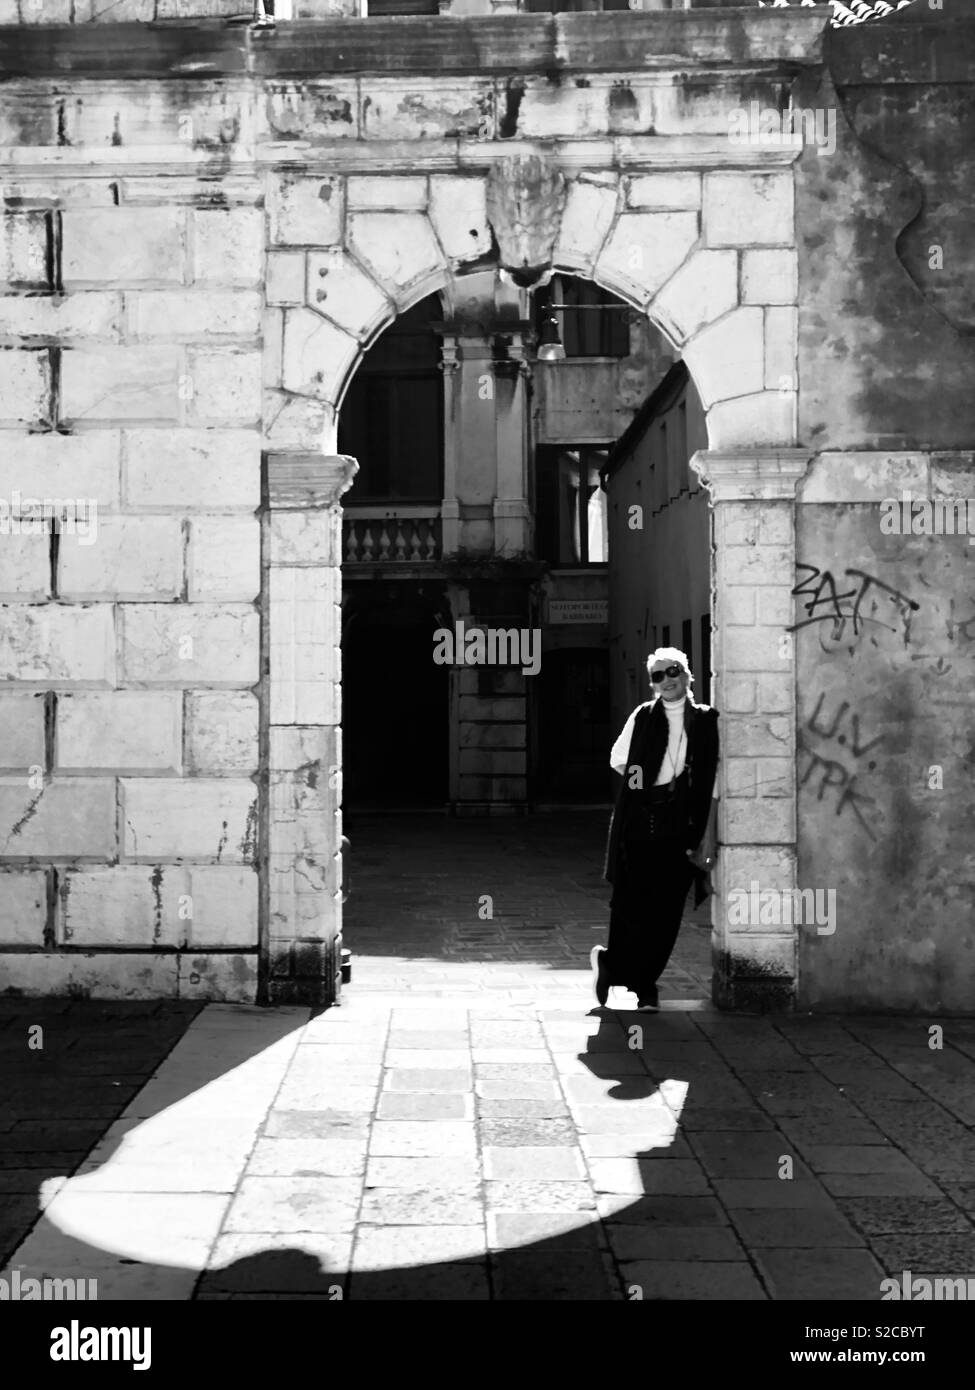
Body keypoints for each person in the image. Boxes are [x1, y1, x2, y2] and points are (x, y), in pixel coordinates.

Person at [591, 647, 719, 1012]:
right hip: (639, 823)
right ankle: (614, 966)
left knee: (667, 911)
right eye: (658, 676)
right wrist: (643, 786)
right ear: (652, 683)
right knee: (631, 904)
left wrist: (707, 831)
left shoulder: (706, 721)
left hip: (682, 826)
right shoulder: (644, 716)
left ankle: (645, 983)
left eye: (673, 671)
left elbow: (715, 780)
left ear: (688, 674)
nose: (667, 680)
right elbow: (619, 758)